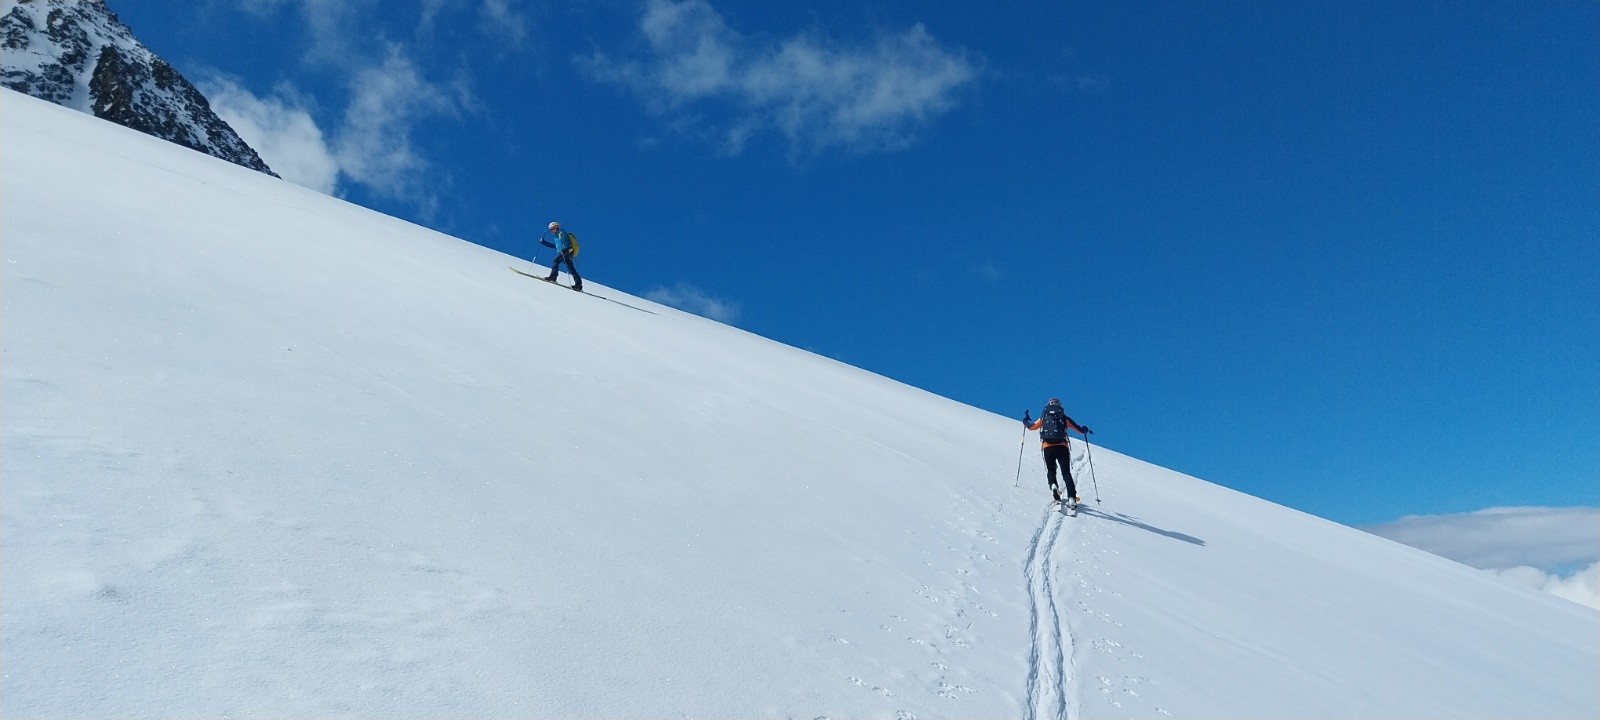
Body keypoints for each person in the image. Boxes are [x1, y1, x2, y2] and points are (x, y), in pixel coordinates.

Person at [1023, 398, 1091, 505]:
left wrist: (1025, 420)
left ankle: (1054, 485)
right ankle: (1072, 498)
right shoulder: (1064, 418)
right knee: (1066, 473)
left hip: (1047, 447)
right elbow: (1079, 430)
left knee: (1051, 469)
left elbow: (1031, 427)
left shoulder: (1044, 418)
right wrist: (1085, 429)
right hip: (1062, 447)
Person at [539, 221, 582, 291]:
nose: (551, 231)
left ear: (556, 227)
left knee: (556, 261)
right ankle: (578, 285)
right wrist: (544, 242)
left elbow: (566, 242)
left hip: (566, 251)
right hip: (564, 252)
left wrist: (565, 250)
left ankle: (553, 277)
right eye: (550, 230)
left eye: (552, 228)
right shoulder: (556, 237)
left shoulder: (561, 233)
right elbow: (554, 246)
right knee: (570, 268)